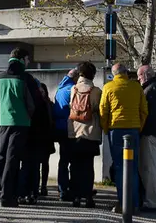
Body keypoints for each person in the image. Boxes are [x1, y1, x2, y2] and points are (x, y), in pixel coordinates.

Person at [0, 47, 36, 207]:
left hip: (3, 122)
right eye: (27, 60)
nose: (28, 63)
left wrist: (3, 112)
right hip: (20, 123)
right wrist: (25, 115)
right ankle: (6, 197)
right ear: (23, 59)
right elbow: (32, 104)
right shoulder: (25, 78)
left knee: (0, 157)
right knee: (12, 160)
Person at [99, 63, 148, 213]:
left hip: (116, 130)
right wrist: (138, 127)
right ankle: (134, 203)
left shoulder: (108, 87)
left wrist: (106, 129)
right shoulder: (136, 87)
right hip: (133, 130)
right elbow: (144, 110)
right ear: (126, 73)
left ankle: (123, 203)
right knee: (132, 168)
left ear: (114, 74)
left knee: (120, 167)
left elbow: (103, 111)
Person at [67, 62, 102, 208]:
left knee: (75, 166)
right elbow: (99, 110)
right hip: (90, 132)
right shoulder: (96, 91)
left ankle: (76, 197)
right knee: (88, 167)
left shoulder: (73, 89)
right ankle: (88, 197)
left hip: (74, 132)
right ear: (92, 74)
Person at [17, 77, 53, 204]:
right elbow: (47, 122)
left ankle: (23, 193)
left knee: (25, 167)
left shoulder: (24, 101)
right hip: (40, 139)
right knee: (35, 167)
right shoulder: (43, 102)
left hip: (27, 137)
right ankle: (33, 193)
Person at [138, 65, 156, 211]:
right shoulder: (154, 87)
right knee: (147, 168)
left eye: (139, 76)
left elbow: (150, 115)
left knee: (147, 169)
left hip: (148, 133)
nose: (138, 79)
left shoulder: (151, 90)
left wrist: (141, 130)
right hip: (152, 133)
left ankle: (153, 202)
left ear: (146, 75)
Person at [52, 68, 77, 200]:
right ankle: (71, 189)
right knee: (72, 160)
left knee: (63, 160)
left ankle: (62, 189)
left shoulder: (60, 89)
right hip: (70, 128)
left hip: (59, 128)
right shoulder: (73, 89)